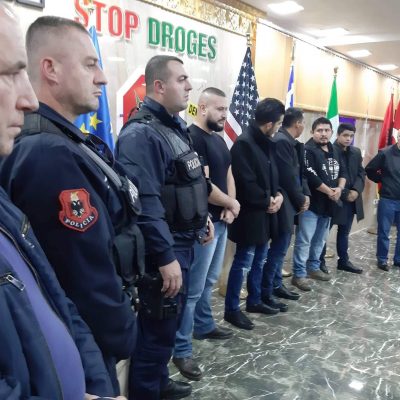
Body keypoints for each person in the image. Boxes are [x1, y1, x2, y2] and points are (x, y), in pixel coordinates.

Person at [0, 16, 141, 394]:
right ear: (51, 69)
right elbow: (81, 272)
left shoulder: (65, 141)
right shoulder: (47, 152)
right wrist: (123, 333)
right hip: (88, 340)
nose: (102, 77)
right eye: (90, 64)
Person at [116, 55, 239, 399]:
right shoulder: (141, 134)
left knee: (167, 325)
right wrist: (165, 256)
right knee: (157, 327)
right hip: (165, 250)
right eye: (181, 79)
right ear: (159, 86)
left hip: (184, 241)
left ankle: (160, 383)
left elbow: (192, 182)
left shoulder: (174, 128)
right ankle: (147, 391)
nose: (189, 86)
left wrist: (202, 220)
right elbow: (146, 204)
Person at [172, 87, 235, 381]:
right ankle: (181, 349)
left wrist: (232, 205)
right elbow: (204, 185)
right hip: (203, 225)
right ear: (203, 107)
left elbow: (229, 173)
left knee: (209, 281)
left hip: (222, 220)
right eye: (220, 109)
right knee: (192, 290)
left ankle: (204, 325)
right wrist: (229, 203)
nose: (224, 115)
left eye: (226, 109)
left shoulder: (218, 139)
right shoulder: (192, 137)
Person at [224, 98, 285, 331]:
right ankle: (232, 309)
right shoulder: (244, 143)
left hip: (266, 213)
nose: (279, 127)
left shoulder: (266, 142)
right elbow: (245, 182)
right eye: (278, 123)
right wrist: (267, 200)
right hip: (250, 216)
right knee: (243, 262)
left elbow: (273, 175)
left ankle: (254, 300)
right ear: (269, 124)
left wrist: (278, 195)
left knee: (260, 259)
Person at [261, 108, 309, 309]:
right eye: (303, 123)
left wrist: (303, 196)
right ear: (298, 123)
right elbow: (287, 176)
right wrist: (300, 199)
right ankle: (268, 290)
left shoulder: (290, 142)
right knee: (278, 249)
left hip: (289, 202)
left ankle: (276, 284)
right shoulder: (282, 141)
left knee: (281, 249)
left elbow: (299, 173)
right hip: (283, 202)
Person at [291, 117, 346, 291]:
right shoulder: (307, 150)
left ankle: (313, 267)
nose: (323, 134)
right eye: (319, 130)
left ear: (331, 132)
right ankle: (299, 274)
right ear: (312, 132)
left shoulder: (335, 149)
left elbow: (343, 172)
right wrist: (330, 191)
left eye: (326, 130)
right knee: (304, 240)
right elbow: (311, 176)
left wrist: (339, 188)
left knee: (320, 240)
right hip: (311, 205)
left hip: (329, 204)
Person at [320, 123, 365, 274]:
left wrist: (356, 191)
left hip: (352, 200)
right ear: (338, 135)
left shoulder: (356, 152)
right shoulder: (328, 151)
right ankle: (319, 262)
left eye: (351, 136)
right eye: (345, 135)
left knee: (344, 232)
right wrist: (346, 193)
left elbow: (361, 173)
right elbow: (328, 178)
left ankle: (343, 261)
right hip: (334, 198)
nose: (348, 139)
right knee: (324, 233)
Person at [365, 135, 400, 271]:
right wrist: (382, 180)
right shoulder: (385, 153)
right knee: (384, 231)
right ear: (398, 137)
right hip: (388, 199)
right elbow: (370, 169)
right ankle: (382, 259)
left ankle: (398, 259)